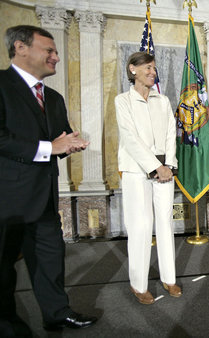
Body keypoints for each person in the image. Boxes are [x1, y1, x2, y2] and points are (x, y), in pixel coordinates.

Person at [0, 25, 96, 335]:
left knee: (50, 261)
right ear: (21, 48)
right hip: (6, 200)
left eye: (55, 51)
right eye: (49, 50)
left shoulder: (52, 97)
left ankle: (57, 313)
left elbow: (57, 144)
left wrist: (69, 145)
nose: (55, 57)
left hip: (43, 198)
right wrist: (51, 147)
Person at [115, 51, 181, 305]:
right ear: (133, 69)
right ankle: (139, 284)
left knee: (165, 224)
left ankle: (169, 278)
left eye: (154, 68)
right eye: (148, 68)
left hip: (165, 170)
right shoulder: (123, 101)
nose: (153, 72)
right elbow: (130, 138)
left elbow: (170, 136)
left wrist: (168, 166)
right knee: (141, 226)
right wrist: (154, 167)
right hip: (136, 171)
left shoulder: (162, 101)